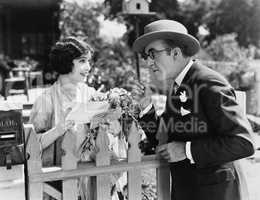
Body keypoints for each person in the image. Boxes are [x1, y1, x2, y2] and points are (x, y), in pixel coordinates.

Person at [132, 19, 255, 200]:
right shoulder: (179, 86)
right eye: (145, 56)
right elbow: (164, 139)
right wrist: (146, 107)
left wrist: (187, 150)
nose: (148, 62)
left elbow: (243, 143)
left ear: (175, 52)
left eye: (152, 54)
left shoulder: (208, 81)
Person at [29, 37, 125, 200]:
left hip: (93, 179)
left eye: (89, 61)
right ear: (66, 62)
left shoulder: (92, 94)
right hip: (61, 184)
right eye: (82, 61)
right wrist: (59, 129)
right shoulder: (45, 101)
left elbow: (113, 133)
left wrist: (113, 121)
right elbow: (31, 148)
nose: (88, 67)